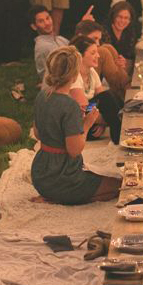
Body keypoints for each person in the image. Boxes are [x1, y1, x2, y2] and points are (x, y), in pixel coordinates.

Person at [31, 46, 121, 205]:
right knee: (120, 186)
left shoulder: (42, 96)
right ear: (73, 74)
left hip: (40, 174)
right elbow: (74, 150)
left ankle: (56, 196)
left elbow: (38, 134)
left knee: (104, 181)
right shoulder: (69, 105)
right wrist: (86, 124)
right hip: (63, 177)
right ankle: (61, 198)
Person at [70, 35, 123, 144]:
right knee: (108, 97)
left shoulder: (91, 72)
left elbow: (104, 100)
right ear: (80, 56)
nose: (98, 56)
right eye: (93, 53)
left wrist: (104, 120)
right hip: (77, 124)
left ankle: (123, 128)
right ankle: (119, 137)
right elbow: (81, 110)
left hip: (92, 118)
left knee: (112, 96)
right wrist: (105, 121)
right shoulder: (74, 77)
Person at [74, 20, 130, 99]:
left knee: (107, 47)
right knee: (103, 51)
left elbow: (102, 98)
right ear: (80, 36)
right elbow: (83, 105)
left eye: (99, 40)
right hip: (82, 108)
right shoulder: (72, 70)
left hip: (92, 105)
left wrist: (120, 67)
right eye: (94, 39)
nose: (98, 44)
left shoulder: (92, 73)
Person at [29, 5, 69, 80]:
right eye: (41, 21)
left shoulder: (60, 39)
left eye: (48, 18)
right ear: (34, 26)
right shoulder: (43, 46)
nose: (47, 23)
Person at [104, 0, 138, 71]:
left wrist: (125, 62)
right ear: (113, 16)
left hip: (124, 70)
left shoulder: (130, 32)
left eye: (126, 18)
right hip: (107, 71)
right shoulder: (104, 31)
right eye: (119, 17)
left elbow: (132, 57)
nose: (122, 21)